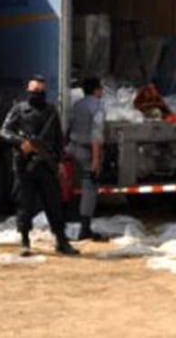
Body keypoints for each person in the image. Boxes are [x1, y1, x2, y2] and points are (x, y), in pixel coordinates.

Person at [0, 75, 79, 256]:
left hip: (47, 165)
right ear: (28, 91)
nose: (38, 95)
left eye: (41, 92)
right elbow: (4, 131)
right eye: (34, 91)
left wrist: (59, 162)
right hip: (25, 165)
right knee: (25, 205)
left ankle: (61, 240)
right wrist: (21, 143)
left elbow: (59, 139)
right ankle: (25, 242)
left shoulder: (51, 112)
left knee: (54, 204)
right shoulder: (19, 110)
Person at [68, 77, 108, 241]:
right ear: (97, 90)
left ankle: (68, 216)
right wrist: (96, 160)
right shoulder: (98, 107)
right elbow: (96, 135)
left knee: (69, 184)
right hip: (87, 151)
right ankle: (85, 228)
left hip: (72, 147)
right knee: (89, 188)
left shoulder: (77, 105)